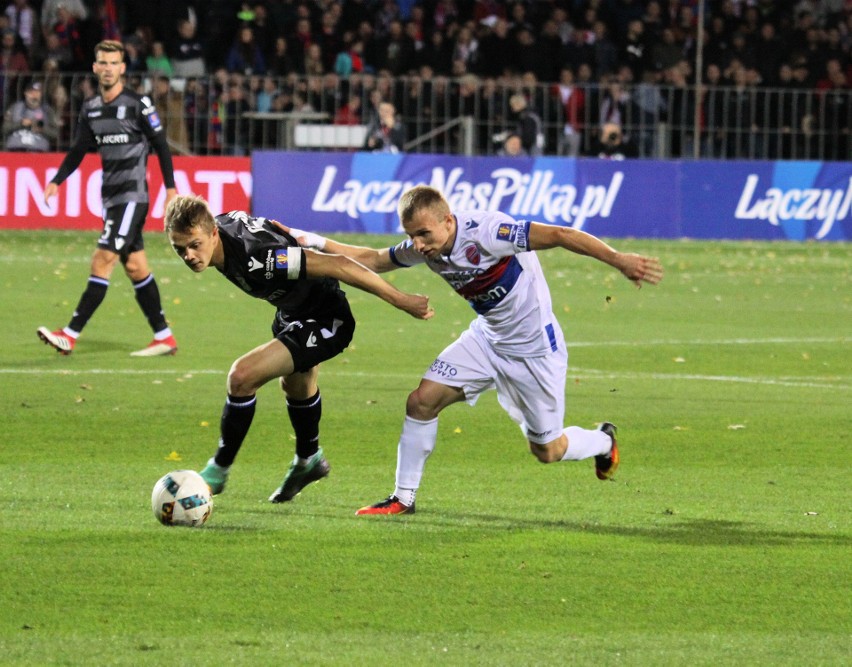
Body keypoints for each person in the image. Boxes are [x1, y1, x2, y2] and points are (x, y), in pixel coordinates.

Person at [294, 185, 663, 515]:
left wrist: (618, 260)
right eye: (412, 236)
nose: (418, 245)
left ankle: (603, 440)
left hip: (534, 351)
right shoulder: (426, 247)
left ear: (448, 221)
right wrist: (307, 239)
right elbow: (374, 259)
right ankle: (402, 498)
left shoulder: (489, 232)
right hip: (486, 340)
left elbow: (561, 235)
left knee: (547, 450)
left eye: (423, 234)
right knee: (421, 402)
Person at [163, 195, 433, 502]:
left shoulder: (260, 257)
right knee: (295, 386)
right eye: (179, 248)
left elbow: (339, 266)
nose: (188, 255)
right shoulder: (220, 230)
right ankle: (309, 460)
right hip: (292, 314)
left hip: (326, 319)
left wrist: (401, 300)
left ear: (213, 233)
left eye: (194, 245)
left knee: (242, 376)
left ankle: (219, 470)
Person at [37, 40, 179, 357]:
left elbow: (161, 145)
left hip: (132, 197)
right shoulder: (91, 108)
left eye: (114, 63)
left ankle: (69, 335)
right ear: (95, 67)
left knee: (102, 259)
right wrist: (57, 180)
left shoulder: (139, 103)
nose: (108, 68)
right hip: (111, 198)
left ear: (123, 69)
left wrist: (170, 189)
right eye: (102, 62)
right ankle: (164, 336)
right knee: (136, 267)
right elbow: (78, 149)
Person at [3, 80, 60, 152]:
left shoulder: (48, 111)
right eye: (31, 92)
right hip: (15, 150)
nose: (34, 96)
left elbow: (56, 134)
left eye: (37, 92)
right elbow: (4, 129)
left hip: (38, 152)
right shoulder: (15, 107)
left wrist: (41, 129)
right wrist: (21, 123)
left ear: (41, 94)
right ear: (25, 93)